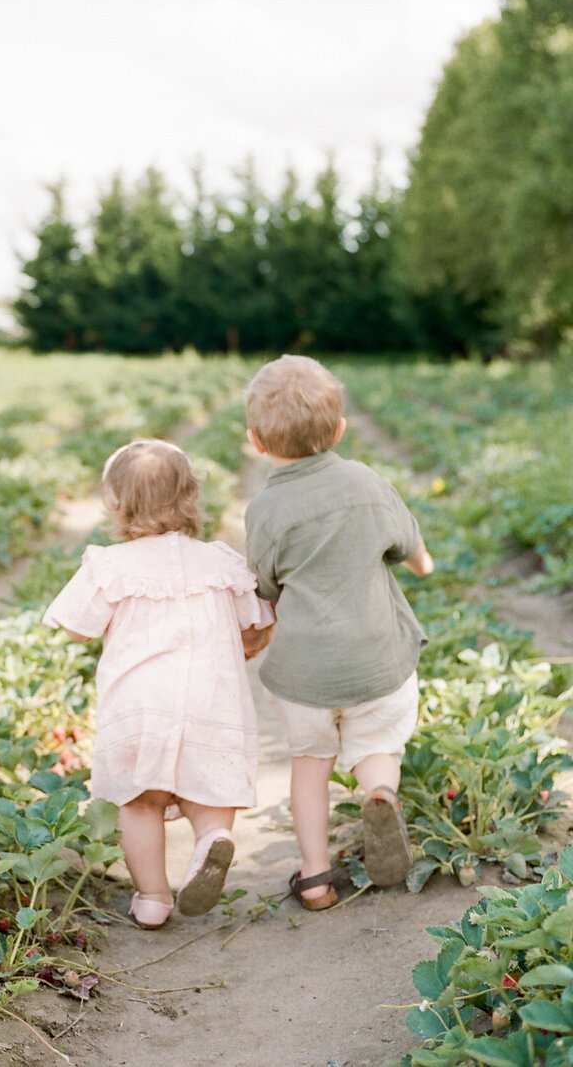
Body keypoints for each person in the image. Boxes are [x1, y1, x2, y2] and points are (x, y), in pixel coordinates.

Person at [43, 439, 274, 929]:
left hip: (139, 705)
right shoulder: (220, 562)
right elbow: (255, 620)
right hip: (212, 702)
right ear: (192, 496)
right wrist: (248, 643)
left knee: (140, 802)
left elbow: (72, 624)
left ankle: (152, 898)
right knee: (210, 793)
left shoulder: (109, 566)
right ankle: (211, 839)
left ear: (115, 503)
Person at [243, 355, 434, 910]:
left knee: (309, 766)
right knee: (377, 746)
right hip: (378, 662)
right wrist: (426, 565)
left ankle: (315, 877)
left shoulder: (266, 509)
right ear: (341, 429)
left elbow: (266, 585)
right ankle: (380, 794)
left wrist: (255, 635)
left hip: (303, 676)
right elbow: (410, 548)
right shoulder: (367, 482)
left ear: (256, 440)